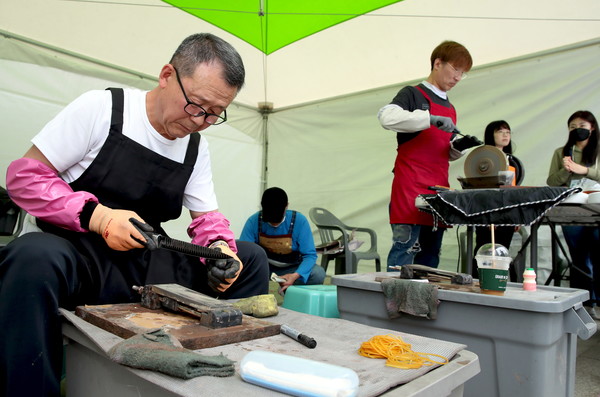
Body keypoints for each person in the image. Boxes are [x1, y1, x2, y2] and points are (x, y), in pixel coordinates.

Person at [0, 33, 270, 396]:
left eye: (214, 114)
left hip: (145, 263)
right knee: (31, 256)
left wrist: (220, 248)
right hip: (81, 260)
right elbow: (24, 178)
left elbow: (207, 219)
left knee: (250, 257)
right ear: (166, 75)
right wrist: (99, 217)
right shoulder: (102, 109)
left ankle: (216, 375)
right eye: (196, 105)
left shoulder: (196, 146)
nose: (200, 121)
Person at [378, 40, 482, 270]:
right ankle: (393, 302)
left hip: (438, 190)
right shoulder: (413, 94)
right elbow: (386, 117)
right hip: (410, 186)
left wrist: (459, 146)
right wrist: (428, 119)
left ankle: (423, 303)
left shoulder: (451, 107)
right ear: (438, 63)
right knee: (405, 250)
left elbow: (443, 151)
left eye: (462, 74)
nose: (457, 77)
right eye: (456, 69)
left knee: (430, 255)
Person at [547, 110, 600, 319]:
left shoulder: (597, 150)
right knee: (578, 257)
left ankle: (597, 300)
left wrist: (583, 169)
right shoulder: (562, 152)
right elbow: (552, 181)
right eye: (572, 126)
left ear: (592, 127)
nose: (577, 129)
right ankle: (585, 304)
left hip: (596, 210)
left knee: (598, 254)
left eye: (582, 125)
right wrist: (566, 170)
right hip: (571, 209)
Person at [240, 187, 325, 293]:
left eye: (277, 220)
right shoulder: (254, 221)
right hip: (263, 268)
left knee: (318, 274)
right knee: (239, 272)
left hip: (292, 268)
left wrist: (295, 276)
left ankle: (290, 290)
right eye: (270, 221)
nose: (274, 225)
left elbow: (310, 255)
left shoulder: (299, 221)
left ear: (287, 206)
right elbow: (245, 253)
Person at [472, 120, 524, 279]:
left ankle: (498, 282)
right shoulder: (482, 159)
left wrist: (516, 215)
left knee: (502, 250)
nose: (505, 135)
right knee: (484, 250)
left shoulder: (513, 161)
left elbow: (515, 190)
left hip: (507, 213)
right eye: (500, 131)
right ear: (490, 135)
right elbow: (479, 188)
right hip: (486, 211)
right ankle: (478, 282)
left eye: (507, 132)